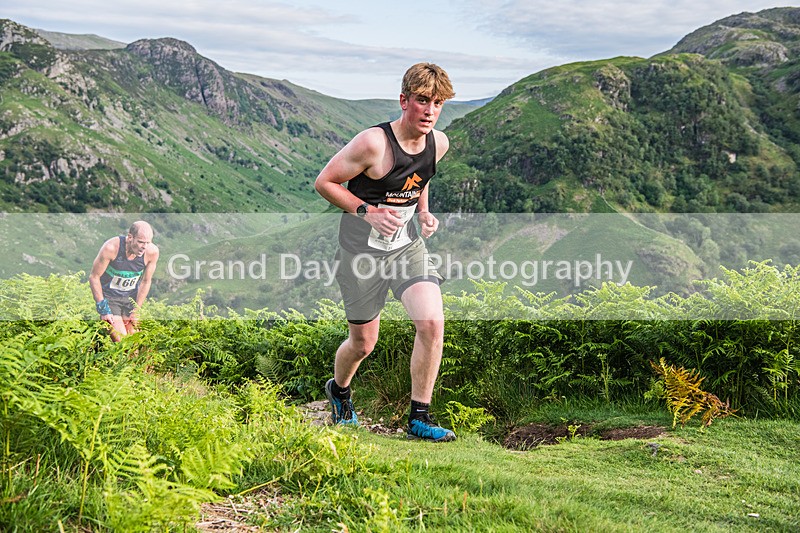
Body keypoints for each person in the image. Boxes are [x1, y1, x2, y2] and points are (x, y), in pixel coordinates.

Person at [314, 63, 456, 442]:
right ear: (404, 100)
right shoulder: (373, 144)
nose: (429, 111)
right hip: (361, 254)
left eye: (437, 103)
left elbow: (419, 179)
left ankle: (419, 418)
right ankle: (339, 391)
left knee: (431, 323)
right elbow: (325, 182)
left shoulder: (437, 143)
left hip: (407, 247)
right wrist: (367, 211)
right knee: (363, 343)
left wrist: (424, 213)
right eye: (422, 101)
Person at [89, 221, 159, 342]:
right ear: (130, 237)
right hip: (110, 299)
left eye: (148, 242)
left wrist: (137, 309)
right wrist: (103, 309)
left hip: (130, 300)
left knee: (136, 344)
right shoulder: (111, 248)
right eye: (141, 242)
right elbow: (94, 277)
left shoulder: (152, 252)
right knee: (123, 343)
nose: (144, 247)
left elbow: (146, 282)